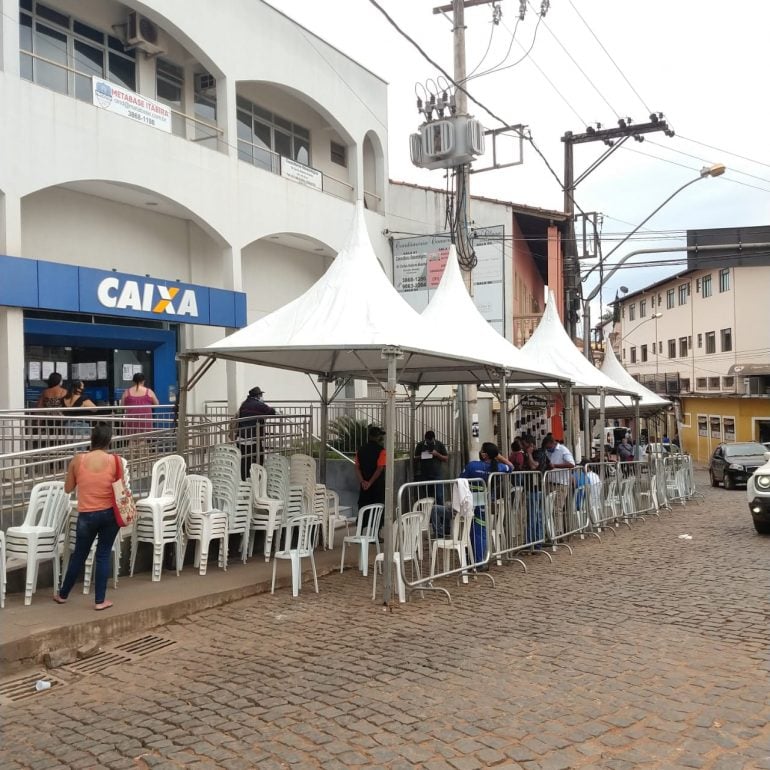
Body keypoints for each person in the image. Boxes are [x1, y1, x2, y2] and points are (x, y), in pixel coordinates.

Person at [54, 424, 122, 611]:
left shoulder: (78, 460)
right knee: (103, 555)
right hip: (109, 514)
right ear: (109, 440)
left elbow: (68, 488)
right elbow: (121, 488)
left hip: (86, 515)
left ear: (91, 439)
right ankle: (100, 601)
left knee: (79, 556)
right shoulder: (115, 461)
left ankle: (63, 594)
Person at [237, 386, 277, 480]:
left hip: (241, 437)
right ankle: (257, 480)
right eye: (261, 395)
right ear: (258, 396)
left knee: (244, 460)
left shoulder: (244, 403)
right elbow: (271, 411)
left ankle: (245, 480)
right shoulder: (257, 404)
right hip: (253, 438)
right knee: (258, 458)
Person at [355, 425, 386, 532]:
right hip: (377, 485)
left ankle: (360, 531)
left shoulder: (360, 450)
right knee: (377, 508)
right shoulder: (381, 451)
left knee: (363, 507)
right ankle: (375, 535)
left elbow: (357, 468)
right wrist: (370, 482)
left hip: (364, 487)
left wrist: (363, 482)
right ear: (377, 437)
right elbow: (380, 468)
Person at [413, 430, 448, 504]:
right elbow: (415, 458)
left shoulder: (439, 444)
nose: (429, 443)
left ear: (433, 439)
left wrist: (437, 454)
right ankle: (430, 513)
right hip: (425, 475)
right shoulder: (420, 445)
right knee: (427, 497)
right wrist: (423, 455)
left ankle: (441, 514)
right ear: (425, 439)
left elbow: (446, 458)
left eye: (430, 442)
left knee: (439, 496)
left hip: (437, 475)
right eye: (427, 441)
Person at [35, 372, 68, 444]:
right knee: (60, 438)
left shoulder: (45, 392)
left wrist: (38, 420)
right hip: (61, 419)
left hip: (48, 419)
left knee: (49, 438)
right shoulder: (64, 391)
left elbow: (39, 406)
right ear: (59, 381)